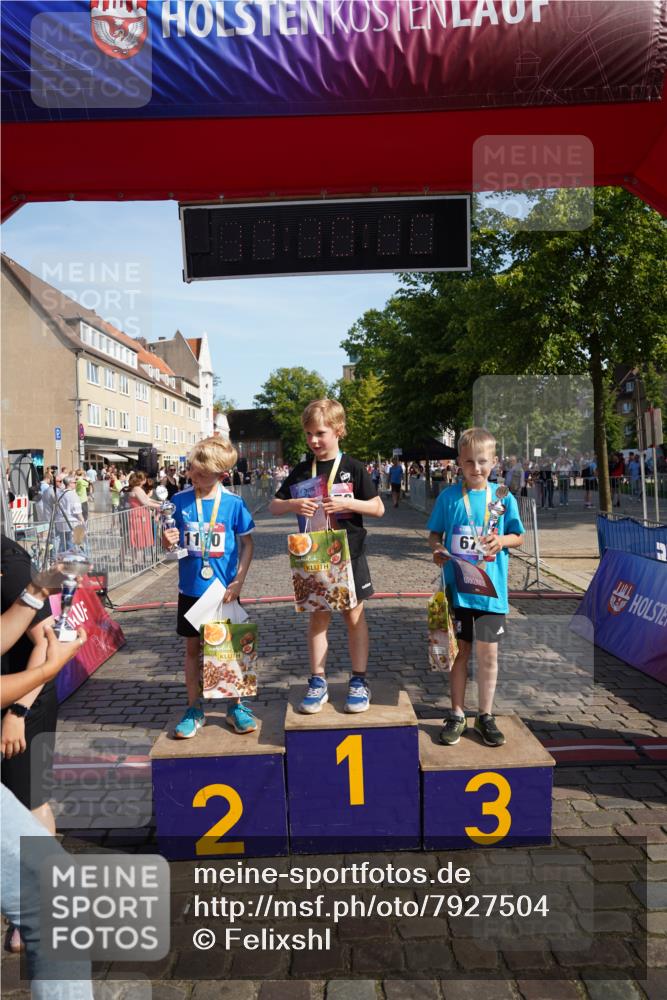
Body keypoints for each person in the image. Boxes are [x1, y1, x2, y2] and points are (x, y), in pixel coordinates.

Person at [269, 398, 384, 715]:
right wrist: (293, 505)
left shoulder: (354, 468)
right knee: (318, 618)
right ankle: (317, 681)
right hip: (315, 555)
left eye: (320, 433)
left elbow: (378, 508)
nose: (313, 441)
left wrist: (348, 504)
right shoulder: (303, 470)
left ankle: (359, 680)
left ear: (339, 430)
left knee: (354, 618)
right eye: (308, 434)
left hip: (351, 554)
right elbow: (273, 506)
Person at [427, 427, 525, 748]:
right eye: (469, 462)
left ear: (494, 461)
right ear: (459, 462)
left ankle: (485, 715)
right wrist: (438, 550)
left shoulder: (502, 497)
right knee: (460, 654)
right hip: (459, 593)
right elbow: (434, 535)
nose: (476, 468)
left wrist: (502, 539)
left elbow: (518, 536)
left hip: (491, 594)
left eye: (482, 461)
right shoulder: (449, 497)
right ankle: (456, 713)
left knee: (488, 657)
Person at [162, 437, 255, 739]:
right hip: (190, 590)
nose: (194, 477)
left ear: (221, 475)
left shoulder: (233, 504)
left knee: (227, 650)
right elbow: (168, 541)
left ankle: (235, 706)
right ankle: (194, 708)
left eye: (202, 473)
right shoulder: (179, 502)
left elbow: (247, 543)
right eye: (192, 470)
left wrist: (239, 579)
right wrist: (166, 541)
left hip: (223, 590)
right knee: (193, 650)